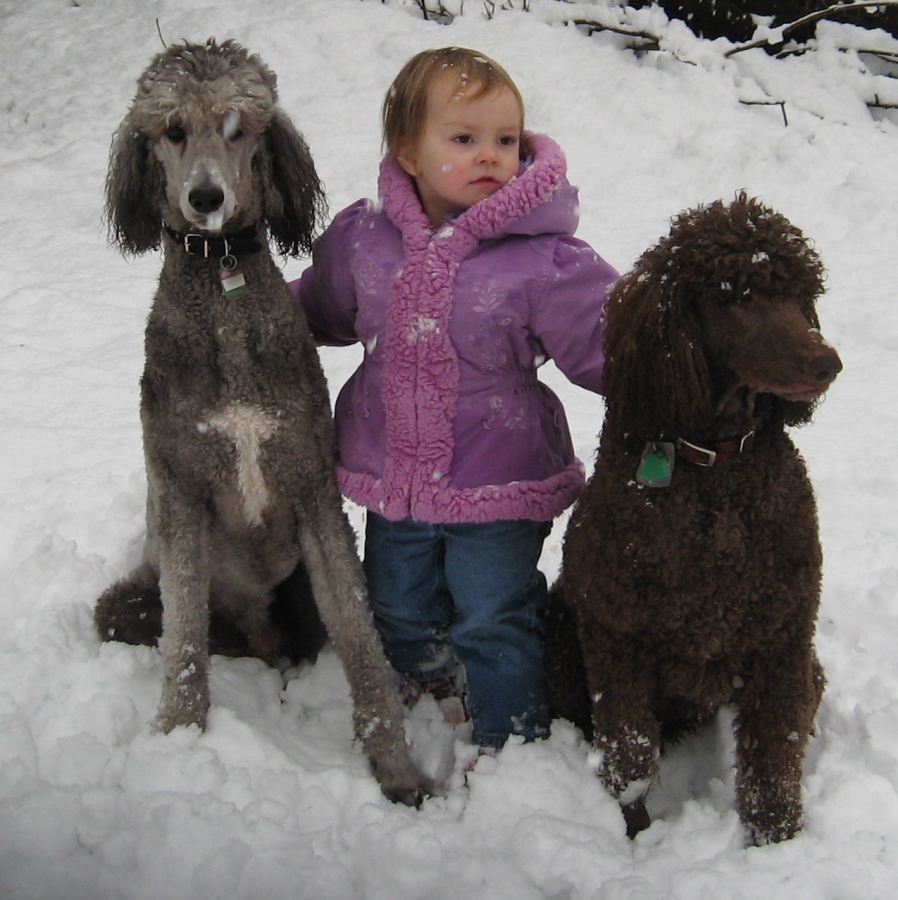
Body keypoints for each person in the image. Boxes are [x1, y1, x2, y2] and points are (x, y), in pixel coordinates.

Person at [291, 47, 618, 751]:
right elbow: (318, 307)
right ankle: (431, 686)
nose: (489, 156)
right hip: (394, 476)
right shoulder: (365, 240)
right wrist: (255, 318)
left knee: (491, 611)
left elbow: (608, 342)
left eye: (505, 140)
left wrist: (667, 375)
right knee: (396, 602)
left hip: (498, 475)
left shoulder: (543, 257)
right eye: (464, 139)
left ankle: (511, 732)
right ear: (408, 150)